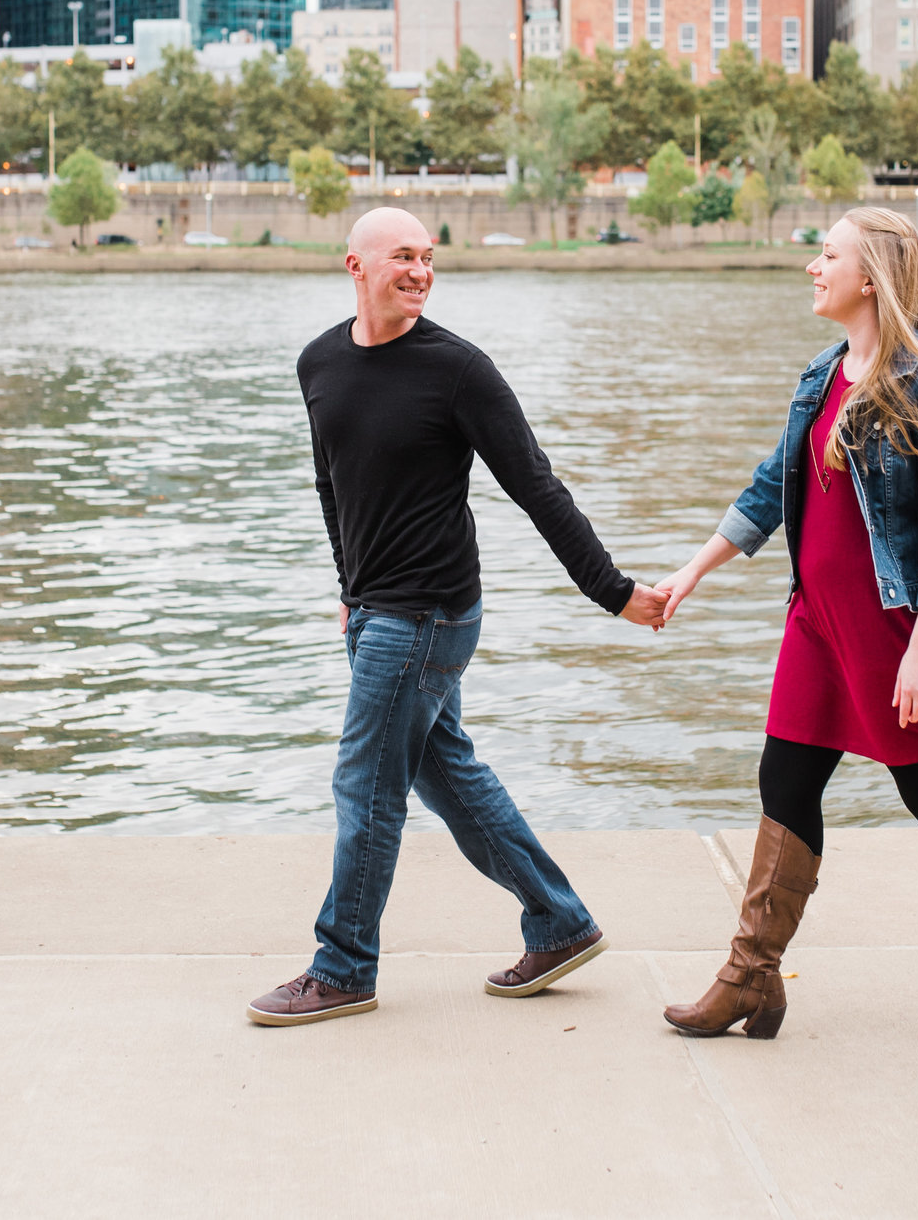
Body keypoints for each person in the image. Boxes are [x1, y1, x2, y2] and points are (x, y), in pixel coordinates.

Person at [247, 207, 670, 1027]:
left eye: (429, 257)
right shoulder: (320, 363)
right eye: (402, 255)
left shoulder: (458, 371)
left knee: (365, 786)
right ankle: (560, 920)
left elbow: (537, 487)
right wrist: (347, 587)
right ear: (356, 266)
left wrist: (612, 591)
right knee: (450, 779)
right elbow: (332, 483)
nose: (420, 270)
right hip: (374, 611)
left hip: (430, 613)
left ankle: (342, 967)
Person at [652, 207, 918, 1054]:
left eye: (825, 254)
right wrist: (693, 569)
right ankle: (751, 974)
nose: (811, 267)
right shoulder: (821, 373)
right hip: (817, 622)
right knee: (784, 780)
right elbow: (772, 488)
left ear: (869, 277)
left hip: (896, 628)